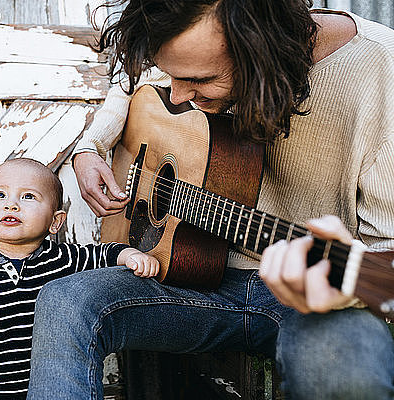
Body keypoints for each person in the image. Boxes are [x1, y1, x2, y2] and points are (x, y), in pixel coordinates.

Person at [27, 1, 394, 399]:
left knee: (345, 365)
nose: (179, 94)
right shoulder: (190, 34)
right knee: (66, 300)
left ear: (262, 51)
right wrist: (90, 147)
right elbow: (132, 84)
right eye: (171, 76)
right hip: (190, 282)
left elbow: (386, 260)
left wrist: (344, 288)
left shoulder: (381, 72)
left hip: (314, 298)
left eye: (200, 79)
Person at [0, 158, 160, 400]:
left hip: (42, 390)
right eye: (0, 195)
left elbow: (102, 254)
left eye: (28, 197)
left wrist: (129, 255)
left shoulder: (64, 259)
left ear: (55, 222)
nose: (11, 205)